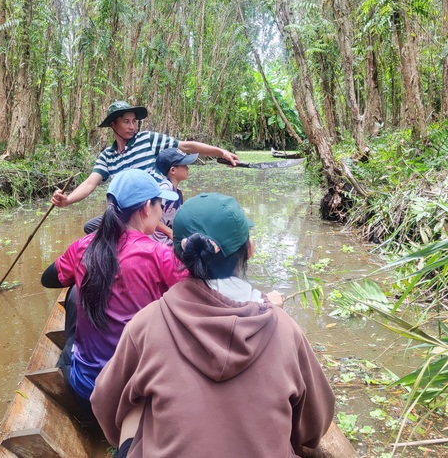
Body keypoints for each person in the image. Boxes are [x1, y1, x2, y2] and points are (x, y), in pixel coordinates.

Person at [91, 193, 334, 458]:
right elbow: (314, 427)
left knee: (134, 405)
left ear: (180, 257)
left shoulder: (146, 324)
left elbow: (105, 404)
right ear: (249, 249)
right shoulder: (287, 331)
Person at [40, 169, 188, 409]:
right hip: (142, 393)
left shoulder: (83, 246)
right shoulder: (161, 255)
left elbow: (48, 279)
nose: (162, 212)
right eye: (160, 205)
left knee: (75, 293)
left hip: (89, 392)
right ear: (146, 208)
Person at [51, 101, 239, 213]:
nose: (132, 126)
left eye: (134, 121)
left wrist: (220, 152)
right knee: (92, 227)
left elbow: (185, 146)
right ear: (112, 125)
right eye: (126, 122)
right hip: (128, 212)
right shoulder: (107, 157)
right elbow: (90, 183)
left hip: (158, 207)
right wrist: (68, 200)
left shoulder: (147, 139)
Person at [151, 147, 198, 245]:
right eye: (184, 165)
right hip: (159, 240)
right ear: (173, 170)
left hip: (168, 238)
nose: (187, 168)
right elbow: (151, 217)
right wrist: (169, 232)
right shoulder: (165, 189)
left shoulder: (177, 192)